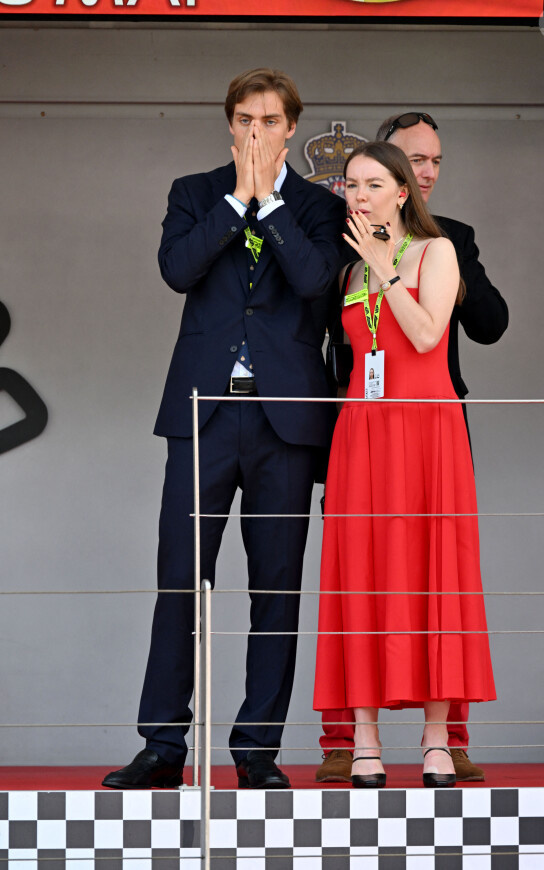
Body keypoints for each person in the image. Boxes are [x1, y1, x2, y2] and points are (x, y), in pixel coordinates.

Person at [102, 68, 345, 791]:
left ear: (292, 128)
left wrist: (268, 205)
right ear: (228, 123)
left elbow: (313, 282)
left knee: (277, 587)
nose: (255, 133)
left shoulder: (315, 207)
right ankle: (164, 743)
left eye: (269, 121)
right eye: (243, 119)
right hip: (203, 411)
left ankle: (257, 749)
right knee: (180, 580)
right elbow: (177, 269)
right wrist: (238, 199)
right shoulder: (194, 192)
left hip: (286, 420)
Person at [316, 112, 508, 785]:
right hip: (361, 431)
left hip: (427, 429)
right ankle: (363, 735)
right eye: (350, 185)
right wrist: (364, 265)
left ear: (403, 192)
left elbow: (429, 337)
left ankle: (434, 738)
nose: (359, 194)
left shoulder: (437, 251)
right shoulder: (345, 273)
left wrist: (383, 267)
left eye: (373, 183)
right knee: (359, 577)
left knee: (434, 573)